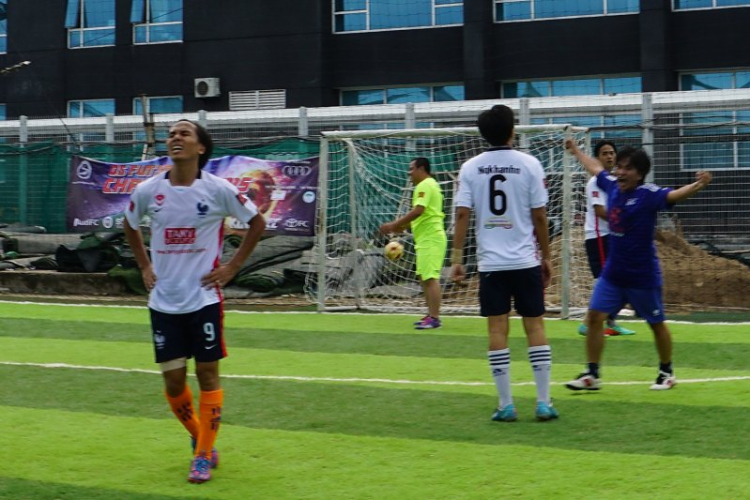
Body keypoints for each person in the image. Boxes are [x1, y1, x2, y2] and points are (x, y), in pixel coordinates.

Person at [124, 119, 266, 483]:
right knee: (173, 382)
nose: (175, 137)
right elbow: (129, 223)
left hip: (203, 298)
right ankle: (200, 435)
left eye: (185, 133)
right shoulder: (148, 190)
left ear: (201, 147)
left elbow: (257, 223)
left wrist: (233, 266)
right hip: (164, 300)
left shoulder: (218, 190)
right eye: (172, 133)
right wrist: (144, 264)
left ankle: (203, 454)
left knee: (206, 374)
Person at [564, 139, 712, 392]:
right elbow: (595, 169)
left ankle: (666, 371)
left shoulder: (649, 195)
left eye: (627, 168)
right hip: (613, 273)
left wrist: (699, 184)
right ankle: (592, 374)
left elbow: (675, 194)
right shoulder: (611, 186)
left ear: (640, 174)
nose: (620, 172)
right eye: (619, 166)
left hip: (642, 276)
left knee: (656, 324)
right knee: (596, 317)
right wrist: (576, 151)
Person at [450, 105, 558, 422]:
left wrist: (457, 260)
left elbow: (461, 215)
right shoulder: (530, 164)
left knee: (497, 329)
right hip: (525, 260)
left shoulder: (470, 167)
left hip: (491, 264)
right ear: (513, 130)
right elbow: (540, 215)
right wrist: (547, 256)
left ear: (483, 134)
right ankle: (543, 402)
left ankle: (506, 404)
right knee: (535, 325)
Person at [379, 157, 447, 329]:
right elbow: (426, 213)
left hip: (431, 238)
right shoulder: (431, 185)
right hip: (426, 238)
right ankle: (430, 315)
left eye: (411, 168)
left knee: (430, 278)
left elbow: (419, 210)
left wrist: (395, 225)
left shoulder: (425, 185)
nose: (409, 172)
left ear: (421, 169)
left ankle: (435, 318)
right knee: (424, 277)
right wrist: (403, 227)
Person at [578, 140, 636, 338]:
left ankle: (611, 323)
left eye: (612, 153)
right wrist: (625, 219)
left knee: (618, 279)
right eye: (605, 153)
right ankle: (588, 323)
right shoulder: (595, 181)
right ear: (597, 158)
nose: (610, 156)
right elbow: (600, 210)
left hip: (612, 236)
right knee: (605, 281)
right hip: (599, 237)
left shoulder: (614, 181)